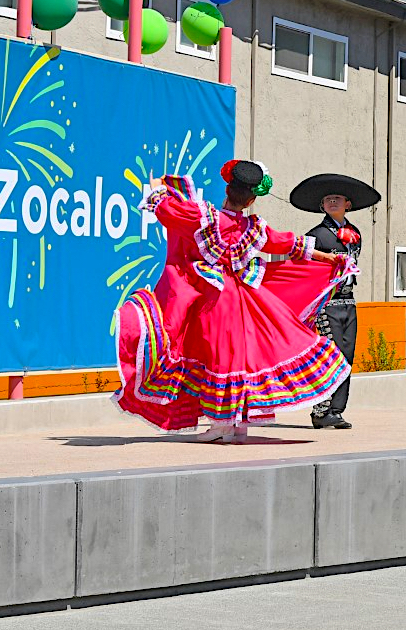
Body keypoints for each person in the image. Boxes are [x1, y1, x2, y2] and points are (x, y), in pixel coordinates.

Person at [112, 160, 352, 443]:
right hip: (244, 297)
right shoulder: (254, 228)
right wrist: (330, 258)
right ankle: (239, 424)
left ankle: (222, 424)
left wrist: (157, 190)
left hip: (213, 298)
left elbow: (166, 210)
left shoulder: (205, 217)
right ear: (252, 199)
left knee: (220, 357)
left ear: (227, 189)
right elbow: (290, 244)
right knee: (242, 357)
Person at [291, 174, 382, 430]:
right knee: (330, 356)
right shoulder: (315, 235)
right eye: (328, 199)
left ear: (348, 204)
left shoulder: (355, 234)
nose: (332, 202)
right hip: (326, 304)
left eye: (337, 199)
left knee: (347, 355)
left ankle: (337, 410)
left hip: (349, 302)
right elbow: (302, 269)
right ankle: (321, 410)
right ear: (322, 206)